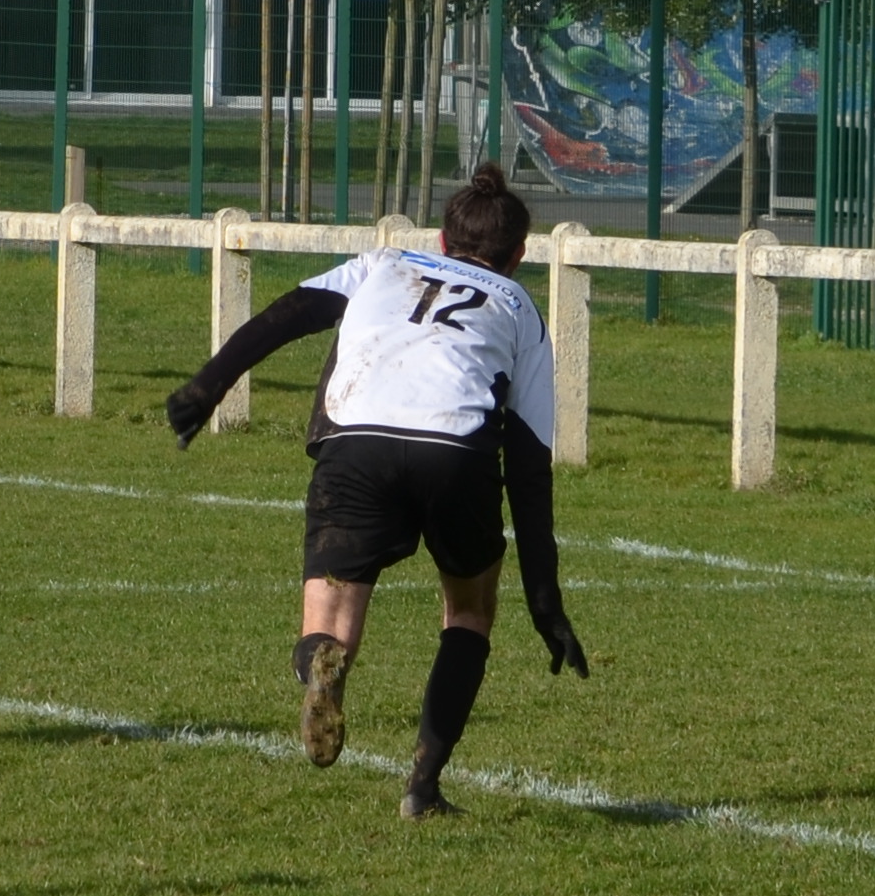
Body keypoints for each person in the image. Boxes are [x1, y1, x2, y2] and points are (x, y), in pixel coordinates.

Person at [163, 161, 584, 819]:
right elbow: (530, 466)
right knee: (469, 612)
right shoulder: (518, 307)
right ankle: (423, 788)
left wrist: (206, 387)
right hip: (455, 450)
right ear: (519, 255)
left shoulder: (383, 265)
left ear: (440, 240)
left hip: (357, 441)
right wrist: (545, 600)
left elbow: (286, 316)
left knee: (330, 620)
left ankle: (323, 661)